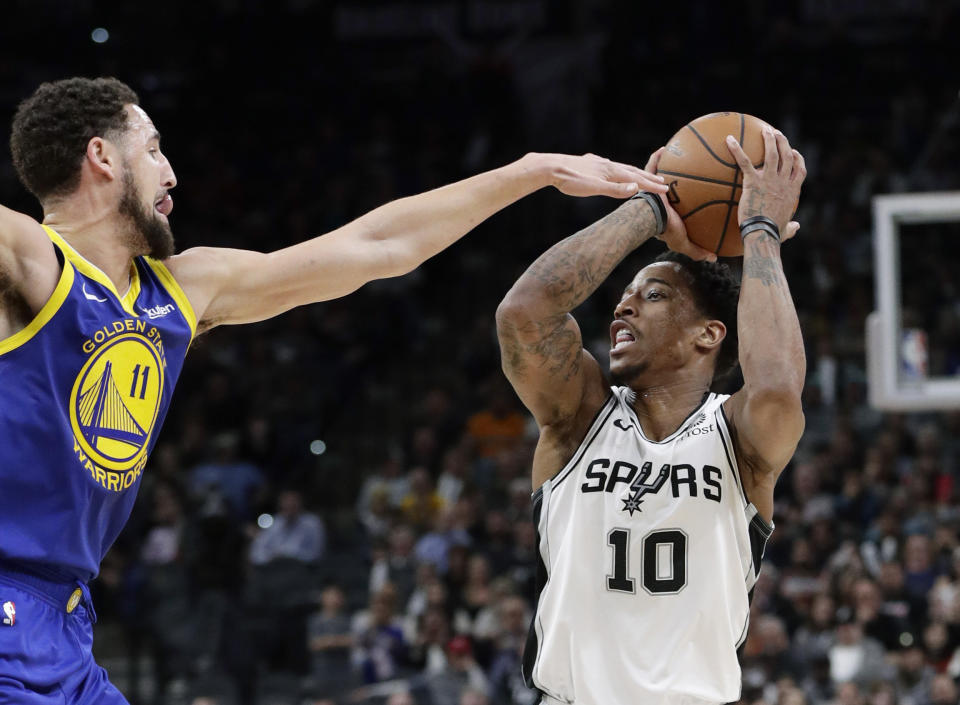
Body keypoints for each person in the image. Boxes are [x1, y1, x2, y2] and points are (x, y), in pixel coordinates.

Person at [0, 76, 667, 704]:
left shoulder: (182, 287)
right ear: (101, 157)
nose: (170, 171)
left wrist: (534, 171)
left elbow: (380, 245)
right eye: (151, 149)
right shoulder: (33, 261)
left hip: (64, 623)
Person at [495, 128, 807, 704]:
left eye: (654, 295)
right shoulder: (578, 419)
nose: (622, 305)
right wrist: (649, 208)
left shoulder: (738, 437)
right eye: (626, 295)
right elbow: (524, 314)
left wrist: (760, 232)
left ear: (709, 334)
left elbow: (779, 387)